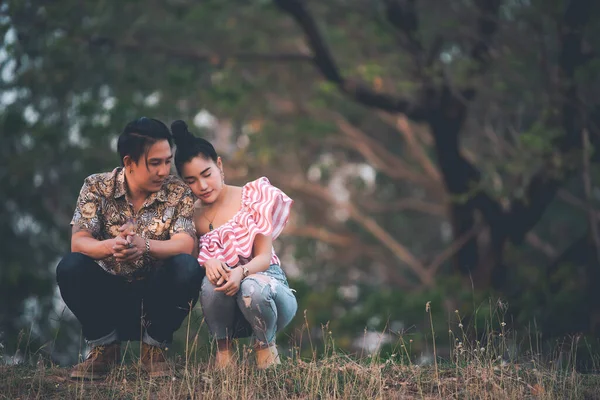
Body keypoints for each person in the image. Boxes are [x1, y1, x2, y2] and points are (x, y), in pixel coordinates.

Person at [56, 117, 204, 380]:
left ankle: (154, 349)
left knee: (187, 266)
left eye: (167, 161)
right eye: (155, 163)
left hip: (157, 300)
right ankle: (104, 348)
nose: (163, 170)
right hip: (108, 299)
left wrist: (145, 246)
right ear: (129, 162)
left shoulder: (178, 191)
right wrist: (111, 247)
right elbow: (79, 241)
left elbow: (186, 243)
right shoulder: (96, 186)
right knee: (70, 266)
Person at [171, 120, 297, 369]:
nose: (202, 186)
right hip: (227, 308)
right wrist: (210, 261)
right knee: (210, 283)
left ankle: (265, 349)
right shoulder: (189, 217)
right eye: (192, 181)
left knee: (251, 287)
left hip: (268, 294)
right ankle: (224, 354)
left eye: (207, 174)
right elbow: (193, 259)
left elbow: (263, 257)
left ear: (219, 165)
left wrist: (240, 271)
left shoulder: (252, 197)